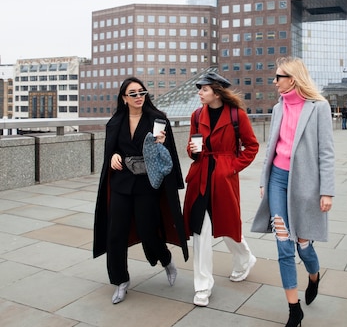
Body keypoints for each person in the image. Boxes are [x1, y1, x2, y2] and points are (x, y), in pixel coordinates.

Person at [251, 57, 334, 327]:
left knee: (302, 245)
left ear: (293, 78)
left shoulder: (319, 108)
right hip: (277, 180)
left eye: (279, 76)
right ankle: (293, 309)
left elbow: (326, 152)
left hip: (305, 184)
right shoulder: (278, 108)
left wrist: (327, 191)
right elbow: (272, 148)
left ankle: (313, 275)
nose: (274, 81)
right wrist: (264, 181)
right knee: (284, 244)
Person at [93, 77, 188, 304]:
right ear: (124, 98)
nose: (138, 97)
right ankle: (120, 281)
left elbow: (168, 156)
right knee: (116, 233)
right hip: (121, 183)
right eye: (133, 93)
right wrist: (114, 156)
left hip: (147, 184)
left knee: (148, 231)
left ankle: (166, 260)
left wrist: (160, 143)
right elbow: (111, 150)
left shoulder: (158, 119)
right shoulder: (115, 122)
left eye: (141, 92)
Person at [184, 71, 259, 307]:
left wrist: (231, 167)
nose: (200, 93)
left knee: (227, 225)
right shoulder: (197, 115)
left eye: (204, 89)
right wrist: (193, 150)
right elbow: (191, 148)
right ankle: (203, 286)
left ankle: (245, 258)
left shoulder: (237, 115)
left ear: (216, 92)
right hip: (200, 178)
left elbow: (251, 146)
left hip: (223, 178)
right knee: (201, 231)